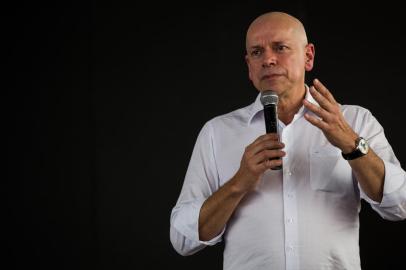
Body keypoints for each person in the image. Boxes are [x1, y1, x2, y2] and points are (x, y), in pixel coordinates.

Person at [169, 11, 406, 270]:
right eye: (257, 52)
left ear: (308, 56)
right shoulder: (217, 132)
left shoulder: (355, 121)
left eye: (280, 47)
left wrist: (352, 144)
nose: (268, 59)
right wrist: (238, 183)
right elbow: (183, 240)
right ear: (249, 66)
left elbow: (400, 205)